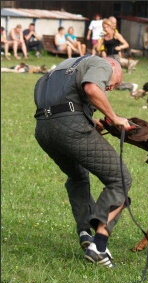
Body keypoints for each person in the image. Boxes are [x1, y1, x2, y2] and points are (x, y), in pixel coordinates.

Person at [33, 55, 136, 267]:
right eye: (112, 84)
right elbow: (91, 88)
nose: (109, 88)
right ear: (113, 66)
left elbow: (60, 105)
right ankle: (98, 247)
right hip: (71, 130)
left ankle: (84, 233)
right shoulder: (101, 63)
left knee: (77, 176)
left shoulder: (58, 70)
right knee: (120, 179)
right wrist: (114, 117)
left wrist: (91, 121)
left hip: (43, 130)